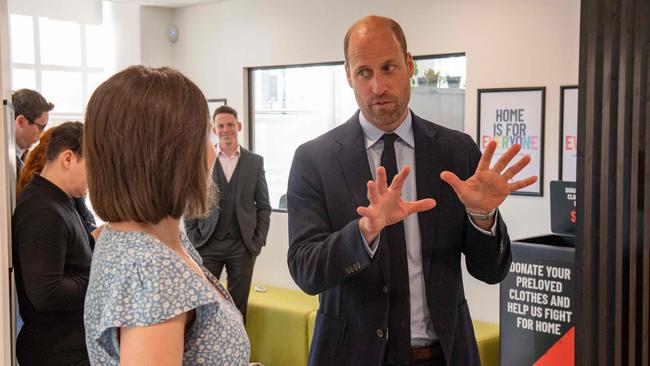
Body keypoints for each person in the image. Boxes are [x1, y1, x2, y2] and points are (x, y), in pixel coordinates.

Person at [287, 15, 537, 366]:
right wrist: (365, 231)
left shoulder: (456, 151)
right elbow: (306, 271)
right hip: (351, 355)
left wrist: (483, 217)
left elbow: (491, 271)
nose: (378, 86)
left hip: (443, 355)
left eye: (388, 67)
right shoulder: (315, 159)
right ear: (348, 75)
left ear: (408, 64)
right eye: (364, 72)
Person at [83, 66, 251, 365]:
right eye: (205, 136)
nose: (212, 152)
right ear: (171, 153)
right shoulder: (150, 271)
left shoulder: (145, 241)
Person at [12, 121, 92, 366]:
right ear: (68, 158)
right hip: (56, 352)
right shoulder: (42, 209)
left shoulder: (61, 200)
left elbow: (66, 255)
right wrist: (102, 280)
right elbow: (46, 292)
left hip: (68, 347)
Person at [184, 105, 271, 322]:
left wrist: (257, 241)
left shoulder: (254, 161)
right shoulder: (200, 161)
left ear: (238, 126)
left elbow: (264, 206)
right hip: (207, 244)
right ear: (214, 129)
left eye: (230, 125)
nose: (226, 130)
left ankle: (238, 354)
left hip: (242, 246)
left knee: (238, 305)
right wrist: (194, 237)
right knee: (203, 303)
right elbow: (190, 202)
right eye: (221, 126)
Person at [17, 127, 98, 240]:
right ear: (68, 159)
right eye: (91, 166)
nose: (94, 177)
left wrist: (93, 240)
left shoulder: (60, 199)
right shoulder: (44, 214)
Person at [11, 88, 54, 178]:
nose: (42, 134)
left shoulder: (23, 157)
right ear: (20, 122)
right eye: (40, 127)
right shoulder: (5, 162)